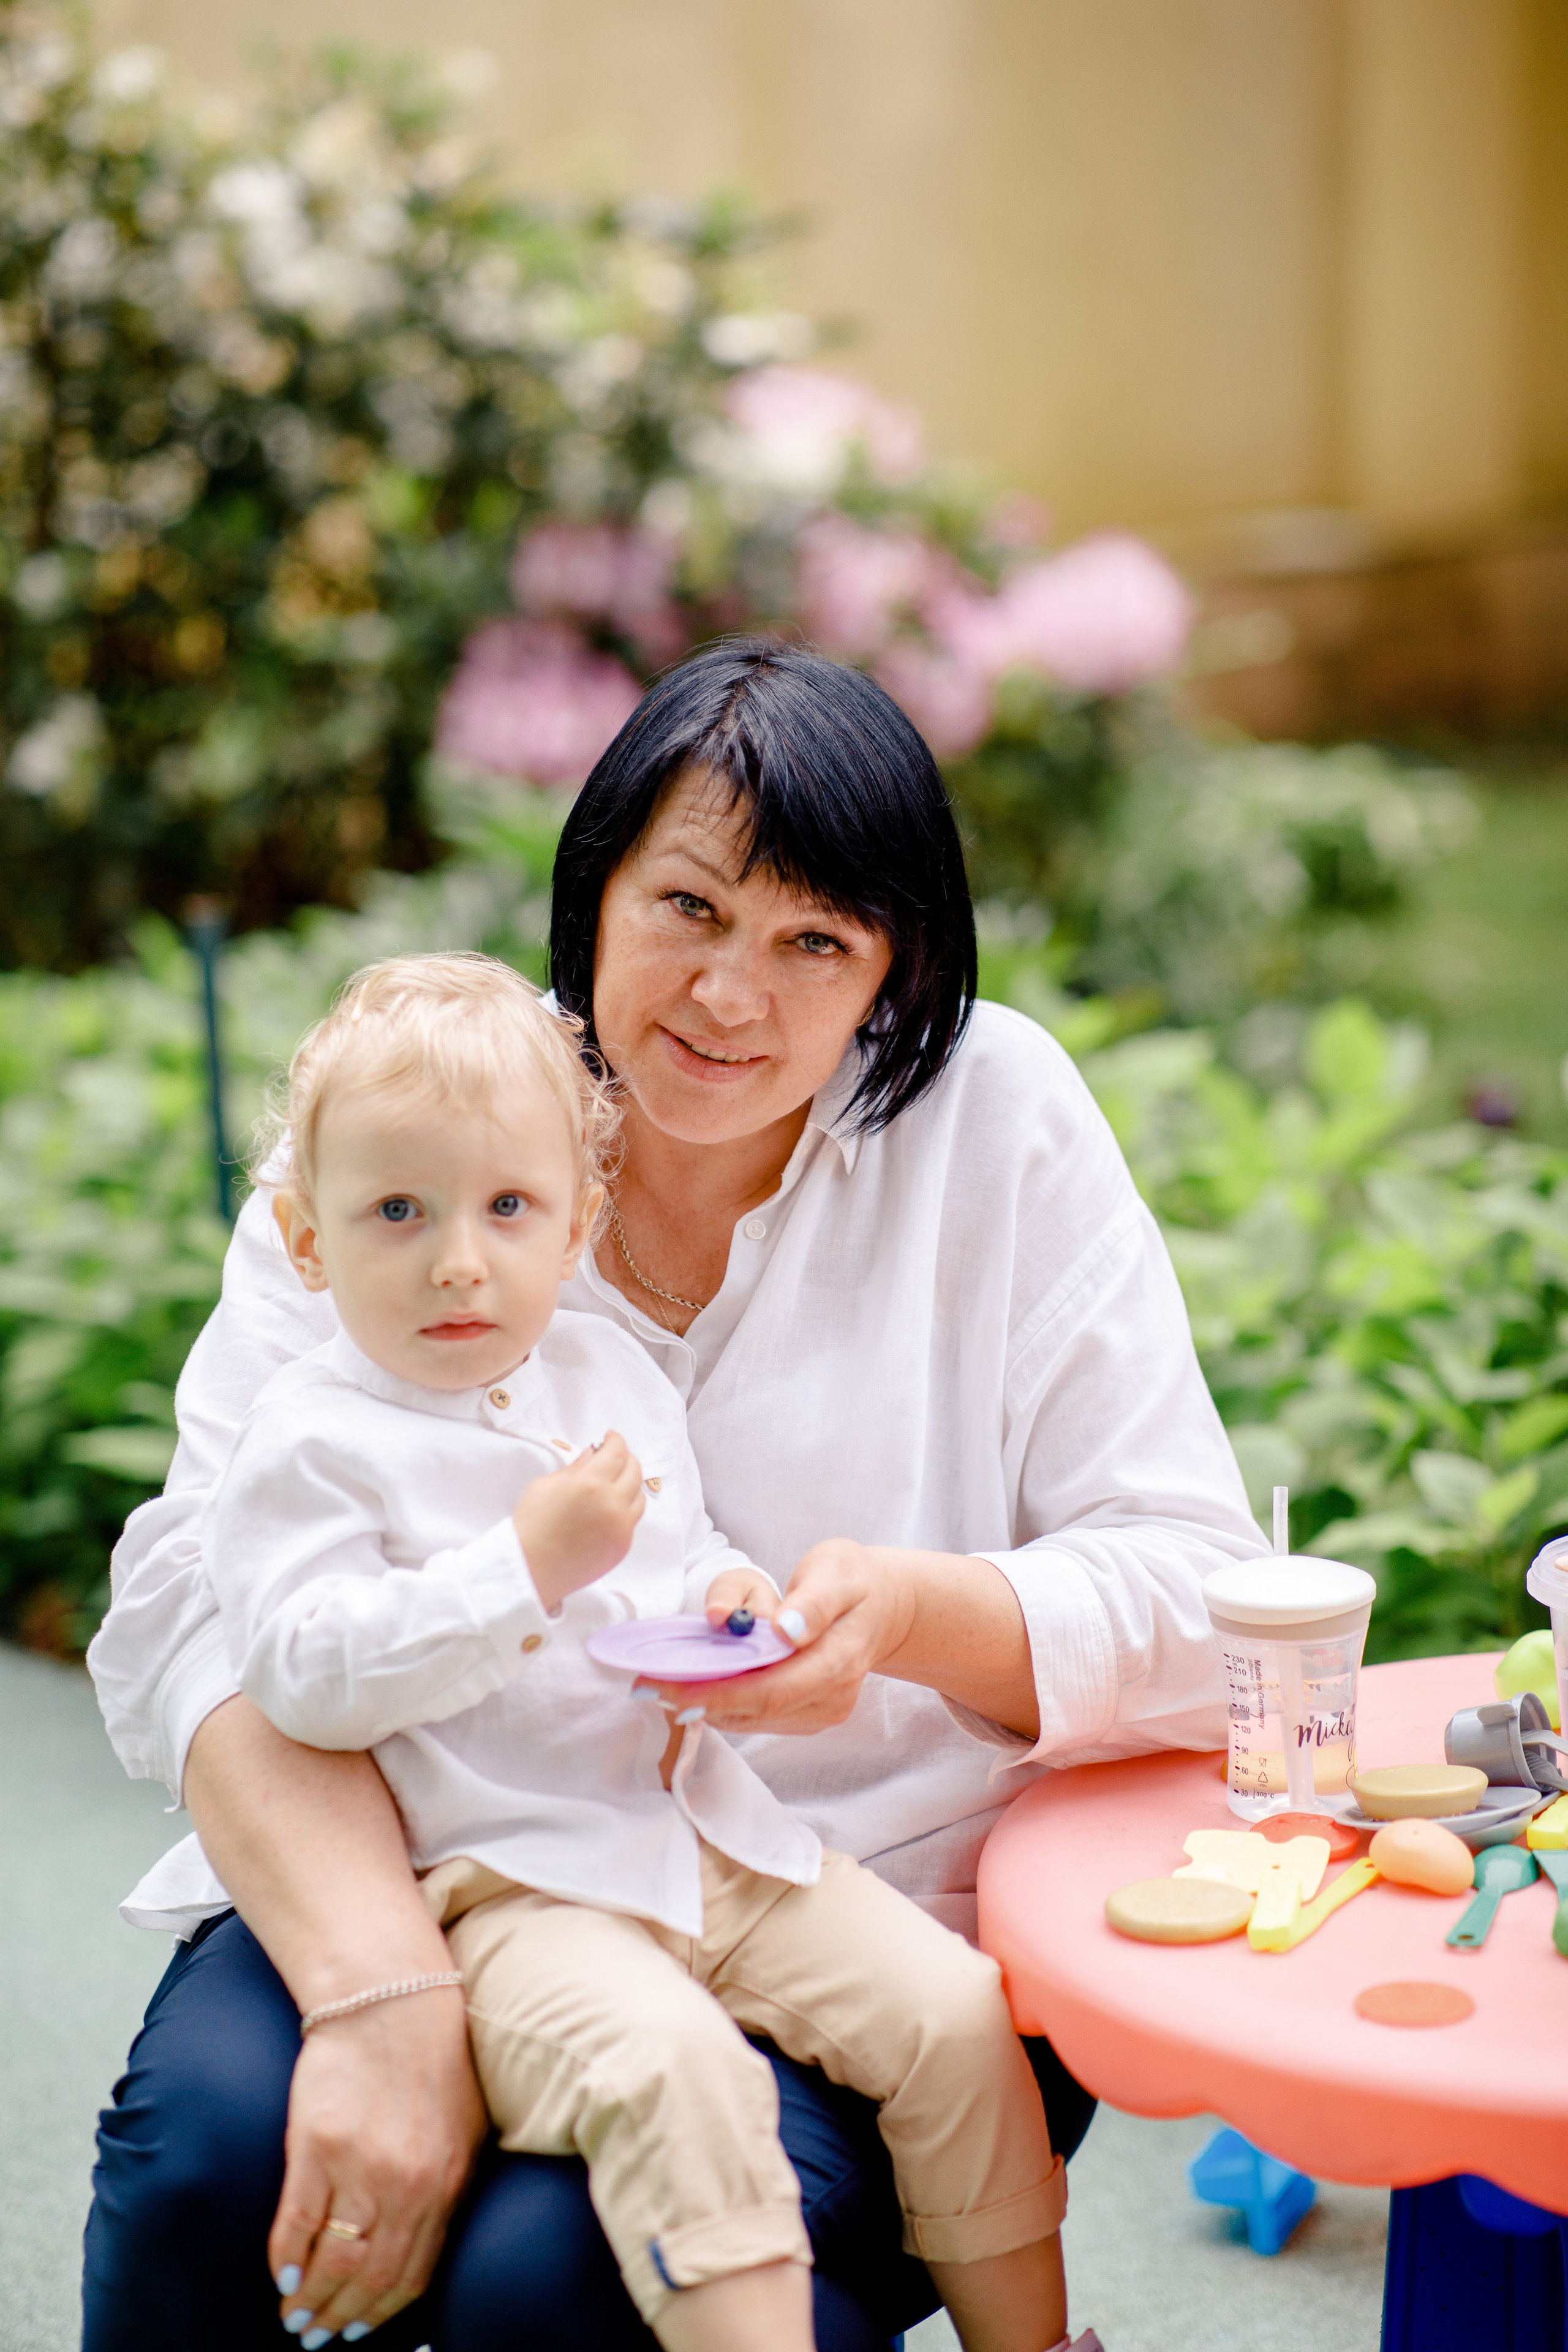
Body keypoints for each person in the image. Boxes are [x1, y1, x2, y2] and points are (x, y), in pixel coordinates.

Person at [85, 640, 1264, 2351]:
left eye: (815, 944)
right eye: (690, 909)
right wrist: (384, 1985)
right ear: (596, 894)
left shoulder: (997, 1124)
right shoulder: (421, 1143)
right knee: (213, 2168)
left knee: (551, 2286)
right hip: (436, 1841)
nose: (732, 995)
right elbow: (201, 1600)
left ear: (893, 968)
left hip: (826, 1881)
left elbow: (1198, 1599)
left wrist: (916, 1619)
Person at [136, 949, 1080, 2352]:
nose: (459, 1258)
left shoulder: (602, 1378)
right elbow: (304, 1671)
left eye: (508, 1207)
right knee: (679, 2076)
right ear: (308, 1240)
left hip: (700, 1836)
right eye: (397, 1210)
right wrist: (517, 1567)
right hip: (510, 1887)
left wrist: (732, 1601)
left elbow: (678, 1554)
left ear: (576, 1223)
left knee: (953, 2015)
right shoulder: (311, 1441)